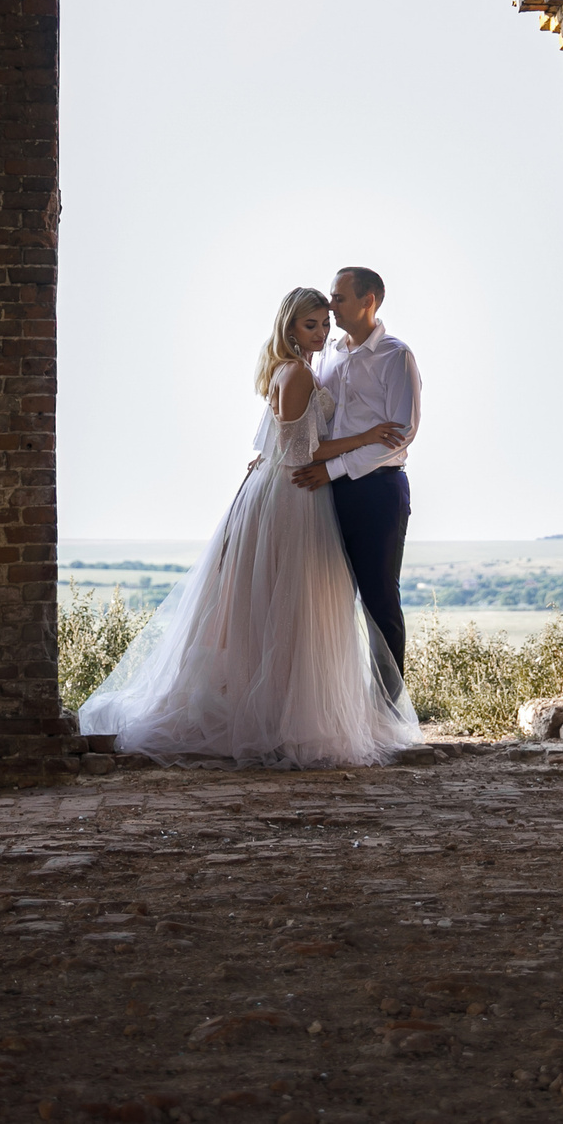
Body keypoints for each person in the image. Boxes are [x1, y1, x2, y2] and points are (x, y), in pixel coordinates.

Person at [76, 286, 422, 767]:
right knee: (290, 605)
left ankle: (277, 712)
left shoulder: (311, 365)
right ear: (289, 327)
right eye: (312, 324)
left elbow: (284, 439)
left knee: (277, 604)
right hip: (296, 493)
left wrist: (275, 456)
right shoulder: (300, 370)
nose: (322, 330)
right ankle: (283, 718)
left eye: (325, 322)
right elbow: (300, 451)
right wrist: (363, 436)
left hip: (291, 487)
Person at [289, 266, 421, 671]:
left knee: (379, 599)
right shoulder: (326, 355)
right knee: (329, 603)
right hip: (324, 491)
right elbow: (307, 420)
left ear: (369, 302)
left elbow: (402, 432)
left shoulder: (395, 356)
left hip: (377, 491)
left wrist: (334, 469)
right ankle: (344, 714)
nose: (331, 305)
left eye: (339, 297)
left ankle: (388, 712)